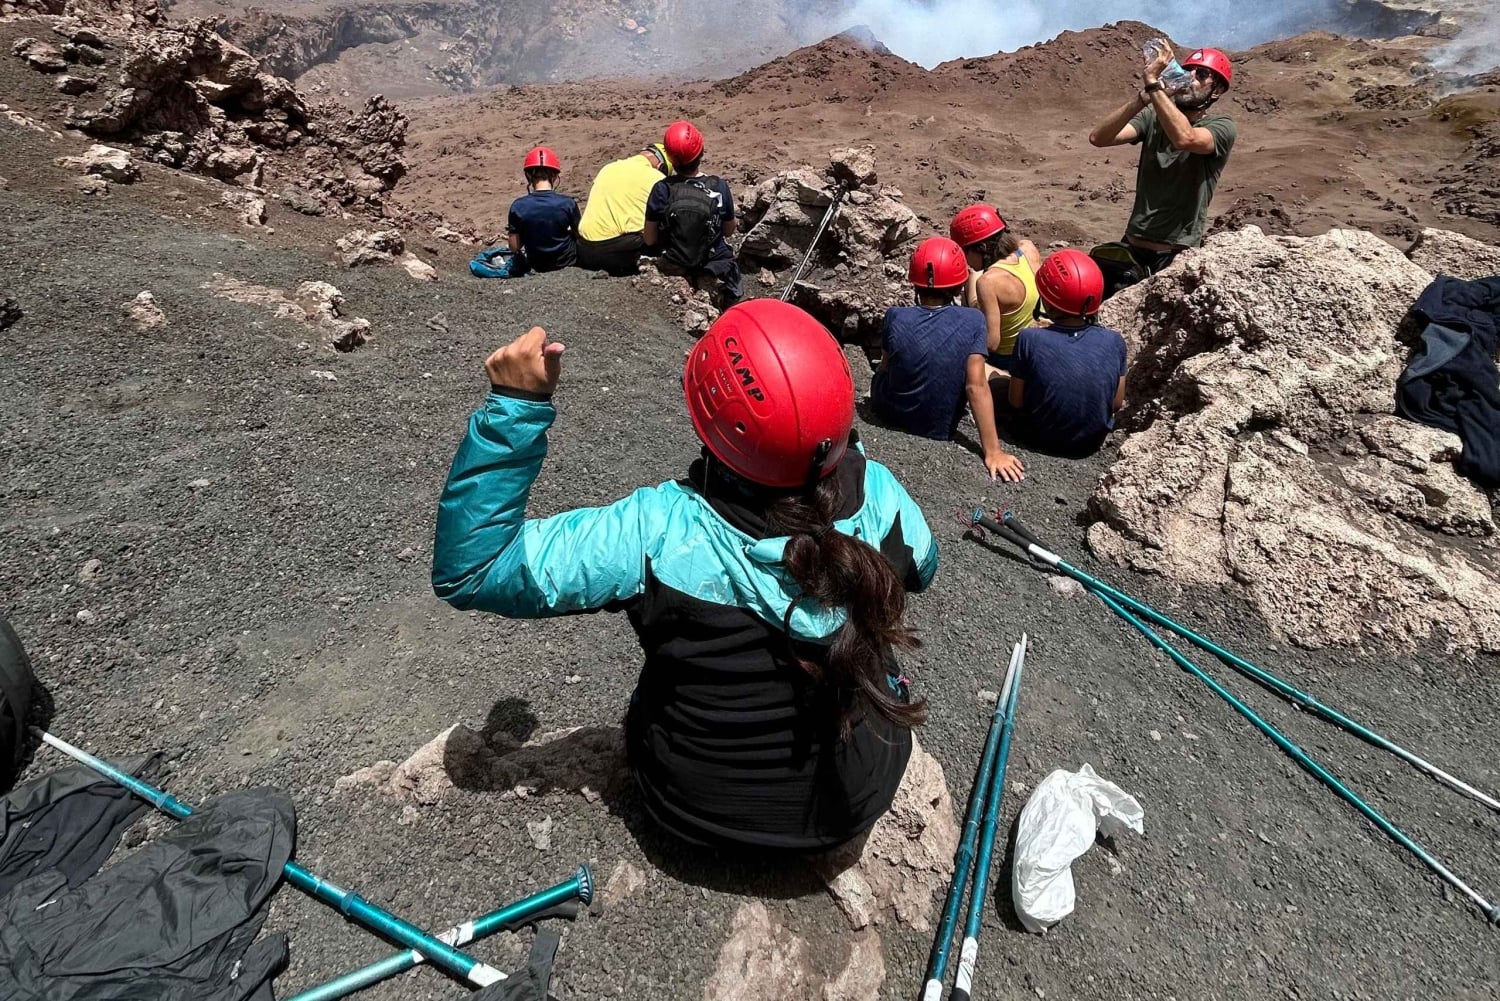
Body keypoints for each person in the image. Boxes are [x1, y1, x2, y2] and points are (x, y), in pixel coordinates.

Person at [432, 300, 937, 851]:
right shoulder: (882, 493)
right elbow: (922, 570)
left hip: (692, 809)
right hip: (854, 800)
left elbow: (475, 567)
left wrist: (515, 406)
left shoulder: (658, 529)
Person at [871, 237, 1025, 482]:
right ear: (959, 285)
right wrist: (993, 452)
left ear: (915, 282)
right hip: (940, 424)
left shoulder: (895, 315)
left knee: (885, 369)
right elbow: (975, 387)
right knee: (975, 371)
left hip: (887, 410)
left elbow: (887, 365)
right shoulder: (973, 321)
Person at [1087, 45, 1236, 280]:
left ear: (1216, 90)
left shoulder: (1222, 126)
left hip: (1176, 254)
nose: (1191, 78)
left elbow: (1185, 138)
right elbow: (1099, 138)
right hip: (1133, 245)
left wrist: (1153, 84)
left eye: (1202, 74)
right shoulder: (1152, 118)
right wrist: (1142, 99)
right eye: (1189, 71)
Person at [1005, 249, 1127, 457]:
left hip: (1036, 438)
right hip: (1090, 445)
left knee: (994, 377)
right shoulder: (1115, 341)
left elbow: (1015, 401)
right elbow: (1116, 403)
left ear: (1048, 301)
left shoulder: (1030, 338)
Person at [644, 120, 743, 308]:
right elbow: (729, 231)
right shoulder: (719, 186)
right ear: (701, 152)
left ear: (670, 158)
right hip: (713, 263)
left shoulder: (662, 189)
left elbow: (649, 239)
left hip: (675, 262)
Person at [949, 204, 1042, 371]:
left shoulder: (988, 282)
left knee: (972, 278)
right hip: (1033, 345)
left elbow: (991, 343)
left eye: (964, 252)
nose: (964, 259)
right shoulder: (1027, 249)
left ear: (982, 249)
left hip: (1008, 358)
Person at [576, 141, 673, 276]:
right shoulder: (657, 178)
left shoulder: (608, 168)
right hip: (616, 254)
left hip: (583, 248)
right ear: (661, 166)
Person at [506, 146, 581, 273]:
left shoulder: (518, 206)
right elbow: (580, 236)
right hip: (567, 262)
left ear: (528, 175)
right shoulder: (568, 203)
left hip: (537, 264)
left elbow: (514, 247)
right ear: (555, 175)